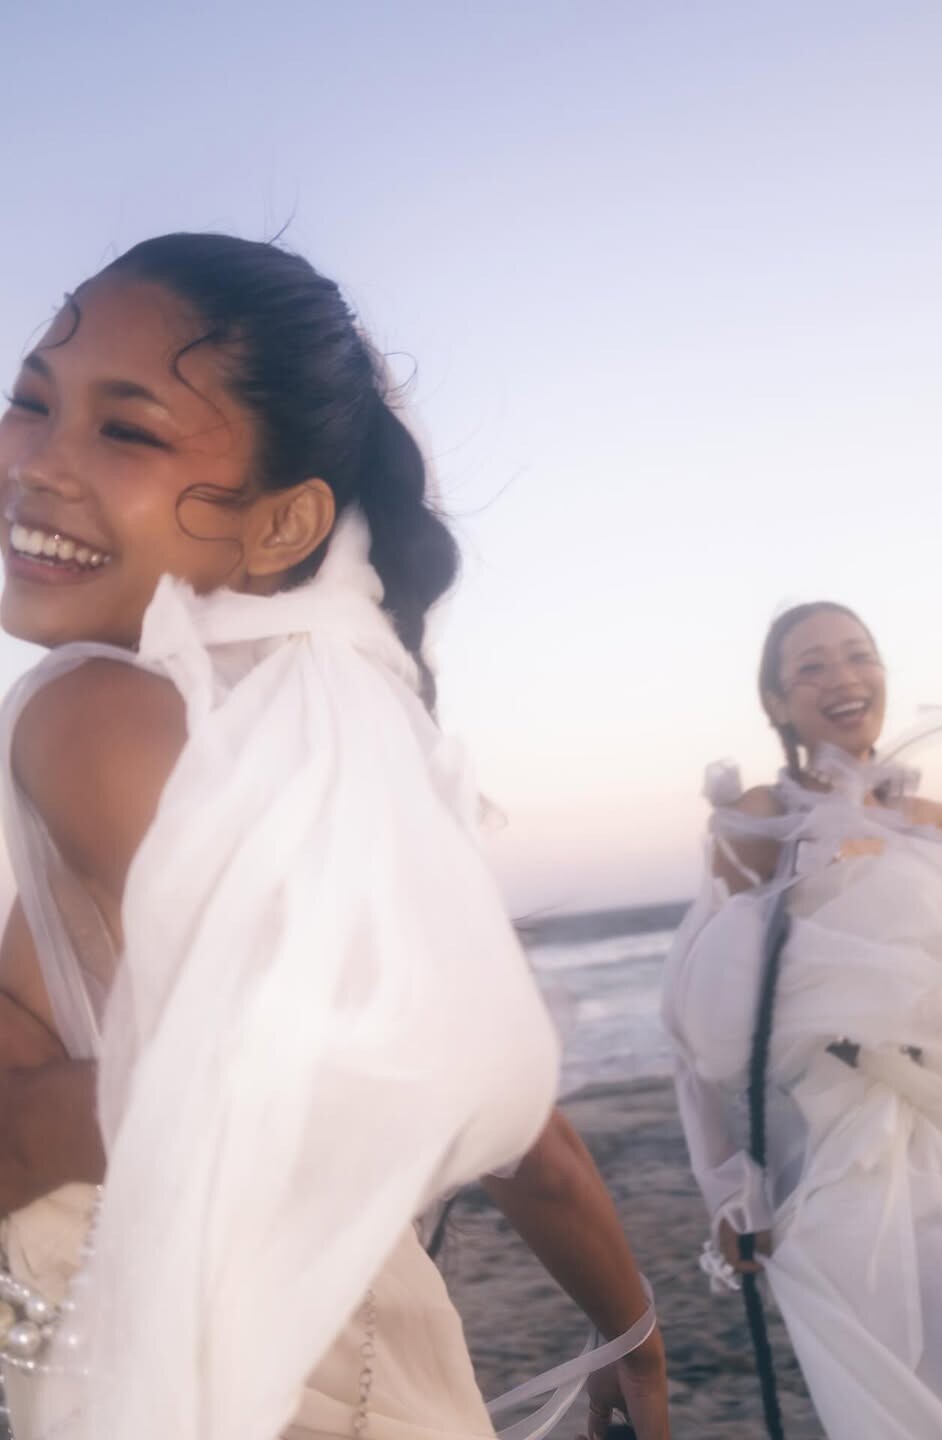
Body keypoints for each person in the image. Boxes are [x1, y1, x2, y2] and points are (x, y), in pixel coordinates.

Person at [0, 234, 666, 1440]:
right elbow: (509, 1121)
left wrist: (33, 1122)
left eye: (128, 429)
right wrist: (634, 1333)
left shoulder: (89, 714)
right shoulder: (293, 762)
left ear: (283, 524)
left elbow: (296, 1087)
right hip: (365, 1361)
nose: (36, 461)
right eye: (32, 399)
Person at [663, 600, 942, 1440]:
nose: (843, 677)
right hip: (841, 1144)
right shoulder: (758, 816)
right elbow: (700, 1022)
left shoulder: (912, 814)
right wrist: (729, 1191)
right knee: (931, 1380)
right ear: (777, 702)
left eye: (859, 655)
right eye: (811, 666)